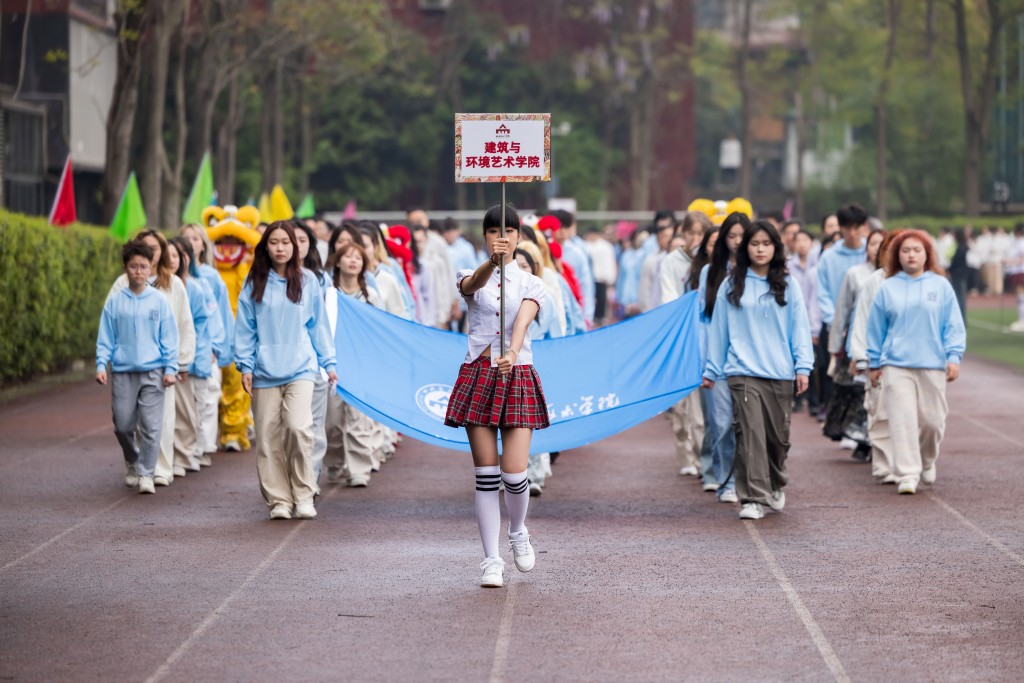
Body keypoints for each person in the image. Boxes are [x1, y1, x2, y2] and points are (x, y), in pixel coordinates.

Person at [443, 204, 548, 588]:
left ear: (519, 236)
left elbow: (523, 319)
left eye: (508, 231)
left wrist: (514, 352)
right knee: (486, 476)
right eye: (493, 231)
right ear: (485, 236)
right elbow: (471, 286)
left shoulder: (532, 282)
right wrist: (492, 262)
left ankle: (518, 530)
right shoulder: (470, 273)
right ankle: (491, 560)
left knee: (515, 475)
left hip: (515, 374)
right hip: (478, 373)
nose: (501, 237)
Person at [703, 220, 814, 520]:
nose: (760, 249)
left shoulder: (788, 285)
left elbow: (800, 328)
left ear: (776, 248)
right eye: (754, 244)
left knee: (778, 440)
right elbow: (719, 331)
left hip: (780, 372)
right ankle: (752, 498)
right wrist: (712, 370)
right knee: (750, 434)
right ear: (745, 248)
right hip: (742, 372)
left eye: (766, 244)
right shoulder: (731, 285)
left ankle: (775, 481)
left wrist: (803, 367)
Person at [234, 221, 337, 520]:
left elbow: (319, 326)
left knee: (297, 428)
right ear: (265, 247)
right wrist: (245, 365)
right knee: (267, 436)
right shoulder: (254, 282)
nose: (280, 248)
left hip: (301, 368)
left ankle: (304, 494)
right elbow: (245, 329)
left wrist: (328, 362)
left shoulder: (308, 280)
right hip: (264, 371)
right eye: (274, 242)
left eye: (285, 242)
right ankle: (279, 499)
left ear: (295, 246)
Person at [867, 229, 966, 495]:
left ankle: (927, 460)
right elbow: (875, 328)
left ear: (927, 254)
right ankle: (907, 473)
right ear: (897, 255)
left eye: (917, 250)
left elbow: (953, 325)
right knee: (902, 420)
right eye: (905, 250)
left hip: (932, 363)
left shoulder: (941, 285)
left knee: (932, 422)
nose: (911, 255)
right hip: (896, 364)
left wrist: (953, 356)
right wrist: (874, 363)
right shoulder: (887, 287)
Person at [107, 230, 195, 486]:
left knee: (161, 419)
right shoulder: (122, 284)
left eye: (156, 248)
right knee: (128, 420)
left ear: (163, 251)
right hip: (129, 364)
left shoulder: (173, 284)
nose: (151, 252)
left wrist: (181, 361)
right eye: (145, 247)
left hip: (162, 363)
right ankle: (136, 463)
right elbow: (110, 320)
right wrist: (109, 357)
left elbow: (184, 323)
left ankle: (161, 468)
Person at [95, 241, 179, 494]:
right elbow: (106, 336)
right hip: (123, 371)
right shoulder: (115, 301)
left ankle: (146, 473)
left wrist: (170, 368)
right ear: (126, 268)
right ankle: (133, 459)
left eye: (143, 266)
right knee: (122, 425)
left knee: (152, 427)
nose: (139, 271)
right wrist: (101, 364)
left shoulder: (159, 300)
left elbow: (169, 337)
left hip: (154, 372)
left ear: (151, 267)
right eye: (133, 266)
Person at [323, 242, 384, 487]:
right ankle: (335, 462)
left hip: (361, 365)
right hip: (333, 365)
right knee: (332, 421)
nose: (353, 261)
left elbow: (379, 330)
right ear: (337, 262)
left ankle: (359, 469)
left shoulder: (371, 296)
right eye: (347, 256)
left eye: (358, 257)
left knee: (359, 419)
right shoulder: (328, 294)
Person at [699, 213, 748, 504]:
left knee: (749, 424)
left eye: (742, 236)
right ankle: (725, 480)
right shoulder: (710, 272)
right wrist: (705, 359)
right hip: (716, 359)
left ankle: (749, 478)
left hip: (749, 359)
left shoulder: (756, 271)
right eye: (732, 236)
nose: (737, 242)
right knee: (721, 423)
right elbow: (701, 316)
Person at [848, 230, 903, 484]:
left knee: (909, 414)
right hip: (878, 359)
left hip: (908, 359)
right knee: (880, 412)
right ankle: (883, 465)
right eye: (889, 250)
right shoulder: (874, 281)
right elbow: (861, 320)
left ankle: (909, 462)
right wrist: (861, 357)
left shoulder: (919, 282)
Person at [826, 228, 886, 459]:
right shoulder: (855, 274)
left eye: (882, 244)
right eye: (873, 244)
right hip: (857, 340)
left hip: (884, 345)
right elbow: (843, 309)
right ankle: (863, 440)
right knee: (859, 393)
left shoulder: (895, 278)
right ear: (866, 247)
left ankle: (876, 442)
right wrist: (836, 346)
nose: (878, 249)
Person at [660, 212, 712, 480]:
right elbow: (669, 298)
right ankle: (686, 455)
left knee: (702, 408)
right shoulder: (672, 261)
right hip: (680, 340)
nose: (695, 239)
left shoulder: (711, 261)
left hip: (706, 341)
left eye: (700, 234)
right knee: (681, 407)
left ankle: (704, 459)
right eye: (690, 233)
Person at [179, 224, 232, 464]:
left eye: (196, 238)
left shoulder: (211, 277)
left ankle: (203, 446)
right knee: (186, 401)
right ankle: (188, 448)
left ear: (203, 244)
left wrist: (217, 347)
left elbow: (220, 314)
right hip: (183, 349)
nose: (192, 243)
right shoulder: (174, 279)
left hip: (207, 347)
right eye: (187, 238)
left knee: (208, 397)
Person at [815, 205, 868, 422]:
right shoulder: (829, 257)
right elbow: (822, 293)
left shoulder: (871, 252)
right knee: (839, 378)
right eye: (847, 228)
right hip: (838, 327)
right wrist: (835, 322)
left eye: (856, 227)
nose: (852, 233)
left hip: (867, 327)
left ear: (863, 227)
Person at [168, 237, 215, 475]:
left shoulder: (194, 288)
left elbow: (201, 328)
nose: (172, 260)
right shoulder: (155, 288)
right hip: (165, 362)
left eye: (177, 255)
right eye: (168, 256)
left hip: (192, 362)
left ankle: (189, 453)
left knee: (192, 410)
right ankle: (172, 456)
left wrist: (196, 359)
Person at [787, 230, 822, 414]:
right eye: (798, 240)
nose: (801, 244)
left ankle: (813, 400)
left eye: (805, 240)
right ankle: (796, 398)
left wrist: (813, 326)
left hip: (810, 317)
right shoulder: (787, 266)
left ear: (811, 242)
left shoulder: (817, 267)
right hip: (791, 317)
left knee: (812, 362)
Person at [583, 227, 617, 326]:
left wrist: (610, 276)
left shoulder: (605, 246)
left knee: (601, 298)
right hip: (591, 277)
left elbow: (609, 262)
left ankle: (601, 317)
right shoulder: (586, 246)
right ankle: (593, 317)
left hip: (602, 276)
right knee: (591, 298)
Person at [1005, 224, 1024, 332]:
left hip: (1021, 271)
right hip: (1017, 271)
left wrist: (1009, 261)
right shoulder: (1017, 243)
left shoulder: (1021, 243)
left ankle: (1022, 320)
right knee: (1019, 296)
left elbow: (1022, 258)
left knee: (1021, 295)